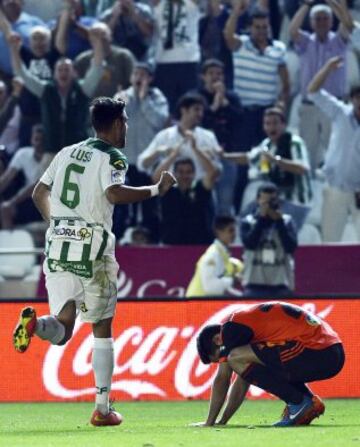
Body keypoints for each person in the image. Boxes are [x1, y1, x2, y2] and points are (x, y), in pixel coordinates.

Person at [12, 97, 176, 426]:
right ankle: (102, 409)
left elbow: (38, 193)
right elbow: (113, 194)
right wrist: (157, 190)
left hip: (57, 243)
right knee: (101, 327)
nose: (126, 127)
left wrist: (56, 222)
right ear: (116, 124)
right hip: (93, 246)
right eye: (125, 121)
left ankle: (36, 325)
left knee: (63, 325)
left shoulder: (66, 152)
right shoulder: (113, 156)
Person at [195, 301, 345, 427]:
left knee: (235, 357)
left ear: (217, 340)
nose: (223, 361)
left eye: (219, 358)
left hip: (316, 350)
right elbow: (244, 378)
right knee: (246, 364)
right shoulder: (243, 325)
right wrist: (222, 421)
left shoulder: (229, 330)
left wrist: (209, 423)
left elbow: (223, 378)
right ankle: (308, 402)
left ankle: (298, 402)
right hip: (332, 352)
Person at [8, 28, 105, 156]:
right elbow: (22, 73)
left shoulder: (82, 89)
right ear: (54, 74)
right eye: (60, 70)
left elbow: (97, 69)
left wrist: (97, 43)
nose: (63, 73)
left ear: (74, 73)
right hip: (51, 152)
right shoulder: (45, 90)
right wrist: (14, 49)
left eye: (67, 70)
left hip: (78, 153)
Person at [289, 0, 352, 171]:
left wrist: (335, 4)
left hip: (332, 106)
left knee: (335, 153)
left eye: (325, 19)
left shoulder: (338, 41)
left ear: (331, 22)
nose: (322, 22)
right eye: (318, 19)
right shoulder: (306, 42)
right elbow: (292, 30)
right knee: (306, 153)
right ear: (311, 22)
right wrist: (305, 5)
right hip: (310, 106)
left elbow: (348, 24)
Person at [114, 62, 169, 240]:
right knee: (123, 208)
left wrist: (145, 100)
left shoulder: (157, 97)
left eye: (143, 75)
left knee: (149, 207)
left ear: (151, 79)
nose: (139, 78)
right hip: (125, 162)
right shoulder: (121, 96)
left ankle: (151, 242)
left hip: (148, 164)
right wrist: (126, 103)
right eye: (136, 74)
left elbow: (159, 121)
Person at [308, 56, 360, 242]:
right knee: (330, 242)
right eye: (358, 98)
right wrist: (328, 68)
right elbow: (313, 92)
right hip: (335, 188)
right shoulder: (340, 112)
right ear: (352, 99)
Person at [224, 107, 312, 213]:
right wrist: (224, 156)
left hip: (296, 202)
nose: (271, 127)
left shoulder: (295, 143)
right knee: (247, 217)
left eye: (275, 123)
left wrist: (275, 160)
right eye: (267, 123)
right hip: (275, 200)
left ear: (284, 125)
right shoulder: (266, 144)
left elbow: (302, 168)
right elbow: (248, 158)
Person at [137, 93, 222, 182]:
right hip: (170, 189)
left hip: (199, 189)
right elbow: (142, 164)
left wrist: (199, 151)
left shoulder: (208, 136)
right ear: (184, 110)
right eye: (196, 109)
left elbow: (217, 170)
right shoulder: (165, 135)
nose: (200, 114)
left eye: (202, 111)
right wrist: (158, 152)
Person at [195, 58, 242, 215]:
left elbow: (240, 121)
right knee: (203, 201)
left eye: (219, 74)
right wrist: (215, 105)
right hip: (203, 157)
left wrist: (225, 102)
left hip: (227, 156)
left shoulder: (233, 97)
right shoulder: (197, 97)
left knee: (225, 202)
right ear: (203, 76)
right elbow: (200, 122)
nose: (215, 77)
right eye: (211, 73)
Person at [240, 183, 297, 297]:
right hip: (254, 283)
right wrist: (261, 219)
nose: (269, 205)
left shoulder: (286, 221)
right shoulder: (248, 221)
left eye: (272, 201)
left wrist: (279, 222)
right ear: (257, 200)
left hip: (280, 283)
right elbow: (250, 244)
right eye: (265, 202)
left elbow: (290, 247)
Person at [156, 157, 217, 245]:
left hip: (200, 244)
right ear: (174, 174)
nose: (185, 176)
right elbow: (156, 177)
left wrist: (196, 149)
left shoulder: (201, 189)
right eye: (181, 172)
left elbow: (212, 172)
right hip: (172, 244)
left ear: (194, 173)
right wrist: (173, 155)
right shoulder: (168, 191)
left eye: (188, 172)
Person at [186, 215, 243, 297]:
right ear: (219, 232)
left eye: (234, 230)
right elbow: (210, 287)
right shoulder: (213, 255)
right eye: (230, 230)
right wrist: (232, 281)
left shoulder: (223, 254)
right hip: (196, 304)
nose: (234, 234)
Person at [0, 123, 44, 228]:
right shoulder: (23, 154)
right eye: (36, 139)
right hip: (27, 200)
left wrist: (13, 201)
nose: (38, 143)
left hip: (45, 198)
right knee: (4, 208)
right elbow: (6, 178)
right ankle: (9, 240)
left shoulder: (52, 157)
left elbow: (37, 185)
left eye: (42, 140)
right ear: (31, 139)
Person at [74, 22, 135, 98]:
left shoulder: (124, 56)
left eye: (102, 34)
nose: (99, 38)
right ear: (90, 39)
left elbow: (134, 83)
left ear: (110, 37)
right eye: (95, 34)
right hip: (91, 105)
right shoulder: (82, 60)